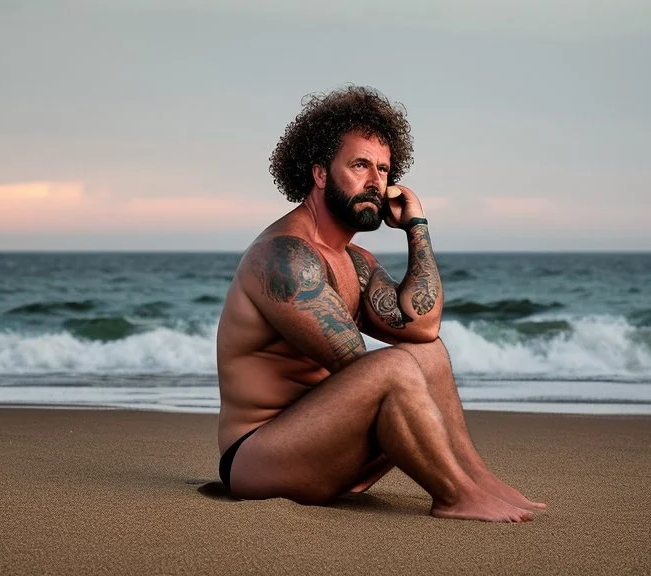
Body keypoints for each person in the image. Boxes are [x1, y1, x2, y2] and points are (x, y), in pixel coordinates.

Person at [215, 86, 545, 522]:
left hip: (326, 441)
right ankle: (454, 494)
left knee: (425, 352)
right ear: (319, 174)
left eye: (385, 170)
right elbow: (361, 369)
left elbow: (422, 327)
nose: (377, 182)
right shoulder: (283, 258)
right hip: (258, 456)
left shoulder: (355, 261)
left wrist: (417, 228)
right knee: (394, 367)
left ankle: (476, 479)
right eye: (360, 165)